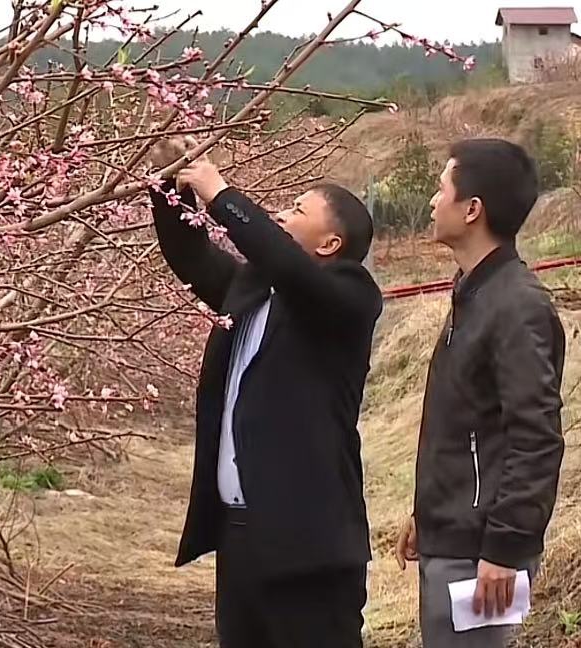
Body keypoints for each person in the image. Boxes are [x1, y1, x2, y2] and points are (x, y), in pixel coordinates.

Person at [148, 136, 383, 648]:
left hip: (309, 546)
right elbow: (192, 256)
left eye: (297, 210)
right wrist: (171, 184)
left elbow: (291, 268)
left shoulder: (349, 298)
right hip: (241, 538)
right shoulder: (252, 292)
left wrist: (222, 195)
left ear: (329, 244)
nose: (280, 215)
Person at [395, 138, 566, 647]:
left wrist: (506, 547)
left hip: (484, 555)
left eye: (441, 188)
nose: (432, 201)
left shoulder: (516, 306)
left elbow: (535, 437)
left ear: (472, 209)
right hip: (454, 537)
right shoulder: (473, 291)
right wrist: (428, 511)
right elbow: (469, 423)